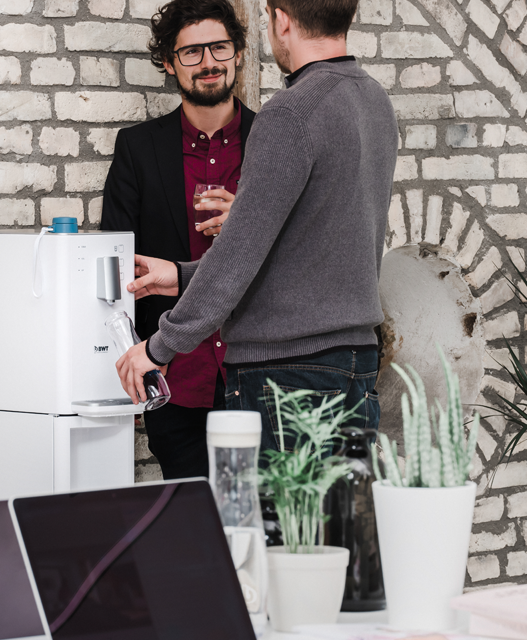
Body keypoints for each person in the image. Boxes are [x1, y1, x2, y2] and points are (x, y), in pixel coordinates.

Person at [113, 0, 397, 453]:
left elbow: (239, 254)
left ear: (281, 19)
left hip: (289, 375)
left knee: (273, 526)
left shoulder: (290, 114)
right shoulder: (374, 100)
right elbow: (299, 248)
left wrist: (158, 347)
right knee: (331, 524)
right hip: (356, 365)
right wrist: (183, 276)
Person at [100, 0, 256, 479]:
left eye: (219, 47)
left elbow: (300, 254)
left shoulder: (274, 139)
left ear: (237, 54)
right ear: (169, 62)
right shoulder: (137, 148)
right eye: (191, 52)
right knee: (194, 532)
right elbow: (116, 263)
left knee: (264, 531)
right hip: (174, 377)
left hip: (258, 375)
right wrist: (140, 352)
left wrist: (248, 222)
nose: (208, 62)